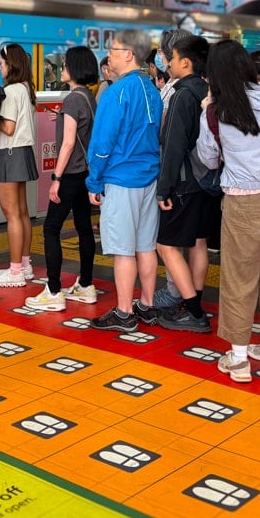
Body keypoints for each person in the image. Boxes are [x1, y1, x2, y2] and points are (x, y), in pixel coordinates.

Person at [196, 40, 260, 381]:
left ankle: (239, 358)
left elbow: (208, 158)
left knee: (241, 277)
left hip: (244, 202)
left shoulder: (214, 111)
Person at [85, 28, 163, 332]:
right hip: (149, 177)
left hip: (121, 179)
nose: (109, 55)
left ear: (128, 54)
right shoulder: (151, 89)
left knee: (123, 250)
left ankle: (124, 312)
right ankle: (147, 305)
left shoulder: (116, 92)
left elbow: (103, 143)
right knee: (146, 246)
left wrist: (94, 181)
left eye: (113, 49)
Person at [26, 47, 101, 311]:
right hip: (86, 174)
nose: (62, 68)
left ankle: (54, 291)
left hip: (69, 174)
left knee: (51, 228)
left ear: (75, 68)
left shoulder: (72, 100)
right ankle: (86, 285)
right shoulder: (88, 98)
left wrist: (56, 178)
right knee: (83, 228)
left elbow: (68, 143)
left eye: (66, 64)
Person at [151, 35, 212, 332]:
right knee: (199, 242)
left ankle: (194, 312)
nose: (169, 63)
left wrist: (164, 188)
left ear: (185, 62)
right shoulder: (208, 90)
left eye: (172, 58)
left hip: (184, 183)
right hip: (206, 181)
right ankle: (195, 300)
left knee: (166, 245)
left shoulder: (182, 95)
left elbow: (172, 146)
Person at [0, 44, 39, 288]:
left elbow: (8, 127)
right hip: (23, 152)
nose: (0, 67)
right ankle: (25, 264)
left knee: (11, 216)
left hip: (7, 153)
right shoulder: (27, 89)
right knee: (22, 213)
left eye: (2, 63)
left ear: (12, 65)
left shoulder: (10, 91)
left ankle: (15, 270)